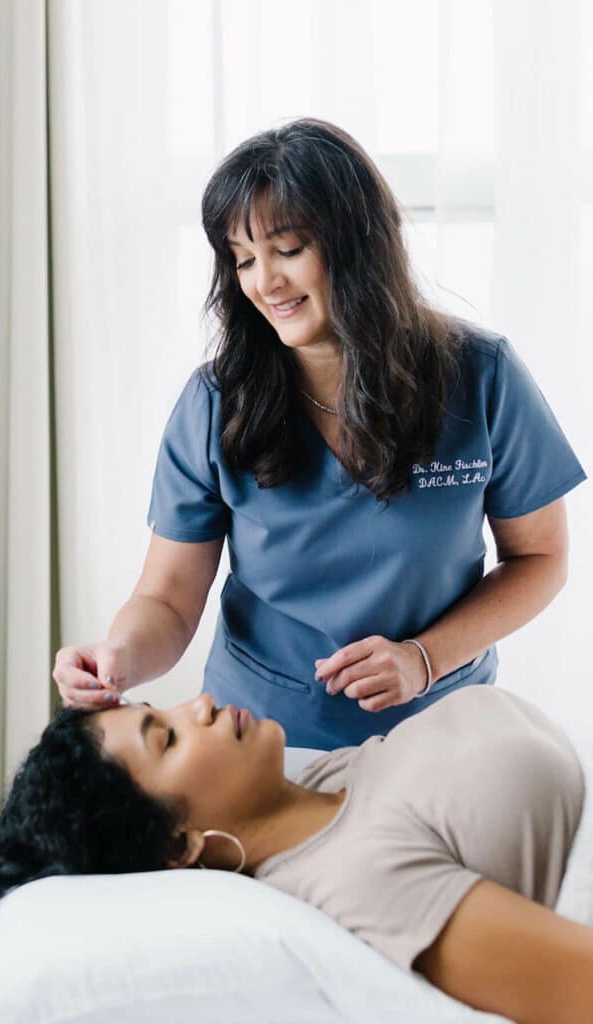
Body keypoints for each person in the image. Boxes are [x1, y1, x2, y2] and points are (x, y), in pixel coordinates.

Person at [53, 118, 587, 749]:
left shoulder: (480, 374)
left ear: (357, 241)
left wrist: (423, 659)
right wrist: (116, 655)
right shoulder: (215, 402)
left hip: (442, 740)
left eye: (287, 250)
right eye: (244, 258)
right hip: (261, 747)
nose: (264, 282)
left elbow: (540, 558)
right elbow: (168, 599)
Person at [0, 688, 590, 1024]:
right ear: (178, 844)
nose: (200, 704)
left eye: (166, 710)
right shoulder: (356, 882)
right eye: (168, 739)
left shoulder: (315, 785)